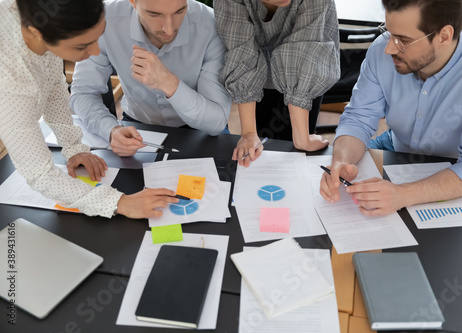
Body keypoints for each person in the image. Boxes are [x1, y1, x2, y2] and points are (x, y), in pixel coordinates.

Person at [320, 0, 462, 217]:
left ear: (444, 36)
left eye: (403, 40)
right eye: (388, 32)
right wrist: (342, 160)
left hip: (454, 167)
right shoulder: (381, 49)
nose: (389, 48)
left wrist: (401, 195)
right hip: (394, 144)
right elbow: (359, 118)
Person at [0, 0, 178, 218]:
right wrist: (119, 202)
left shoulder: (47, 18)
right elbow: (40, 175)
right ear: (36, 33)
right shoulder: (11, 80)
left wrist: (74, 146)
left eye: (97, 37)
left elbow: (54, 87)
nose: (95, 52)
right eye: (82, 46)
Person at [70, 0, 232, 157]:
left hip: (200, 131)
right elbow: (83, 93)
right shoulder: (104, 20)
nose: (168, 28)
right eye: (154, 14)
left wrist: (169, 83)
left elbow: (216, 124)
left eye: (180, 11)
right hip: (136, 126)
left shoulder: (211, 25)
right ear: (133, 2)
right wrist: (111, 130)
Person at [214, 0, 340, 166]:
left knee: (298, 157)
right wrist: (248, 133)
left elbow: (305, 52)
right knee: (264, 150)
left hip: (306, 72)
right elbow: (241, 54)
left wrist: (302, 138)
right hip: (257, 76)